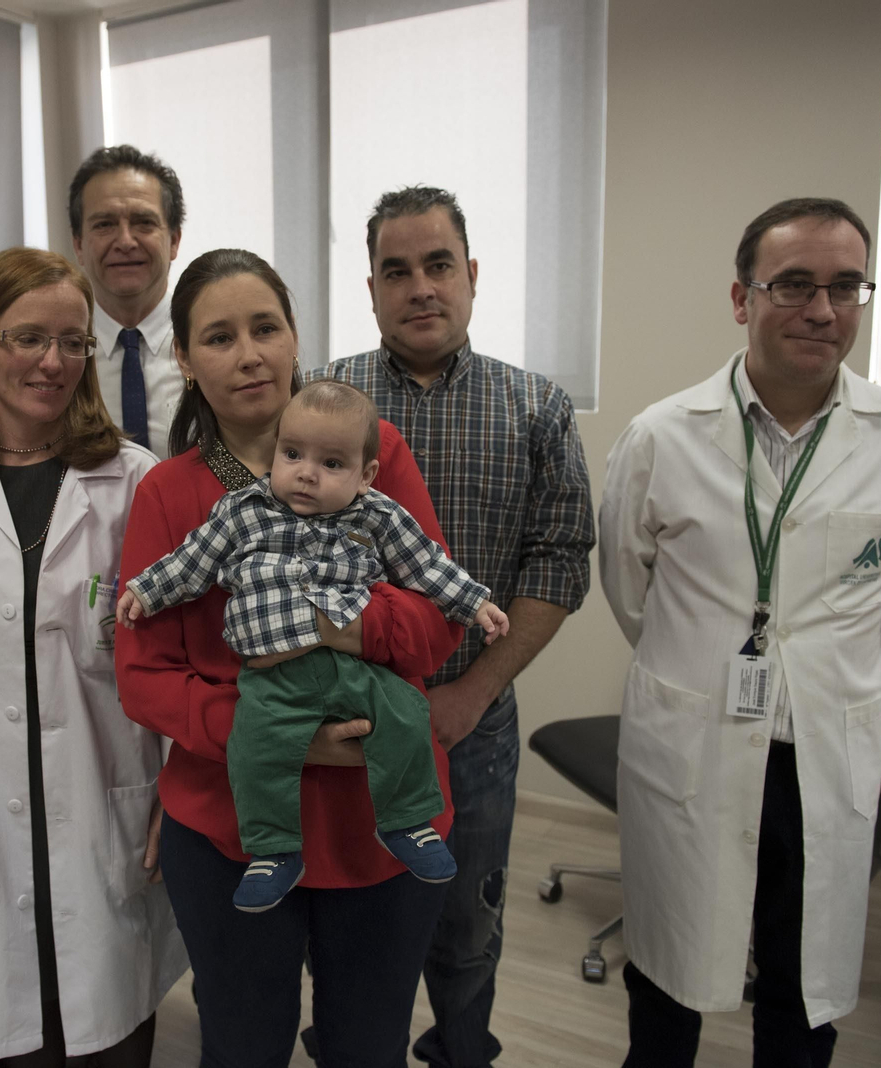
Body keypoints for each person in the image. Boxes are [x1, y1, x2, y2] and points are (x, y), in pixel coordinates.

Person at [598, 197, 881, 1066]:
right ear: (741, 298)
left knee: (803, 992)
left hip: (822, 748)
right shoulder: (661, 437)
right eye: (793, 284)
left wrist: (829, 679)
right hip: (695, 742)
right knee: (668, 973)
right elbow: (628, 584)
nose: (823, 310)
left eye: (845, 287)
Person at [116, 248, 464, 1065]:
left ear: (296, 335)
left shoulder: (373, 451)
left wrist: (328, 626)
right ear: (185, 360)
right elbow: (143, 678)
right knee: (241, 1046)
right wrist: (271, 732)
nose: (249, 354)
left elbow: (436, 623)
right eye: (219, 337)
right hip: (230, 821)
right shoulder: (169, 492)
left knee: (368, 1046)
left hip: (382, 817)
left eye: (265, 327)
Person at [0, 247, 186, 1066]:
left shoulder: (131, 481)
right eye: (27, 339)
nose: (53, 362)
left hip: (107, 800)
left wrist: (176, 787)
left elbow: (175, 655)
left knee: (111, 1027)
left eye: (73, 342)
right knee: (5, 1030)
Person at [314, 186, 595, 1068]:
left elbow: (558, 563)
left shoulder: (535, 407)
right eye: (397, 271)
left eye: (439, 266)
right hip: (347, 725)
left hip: (472, 720)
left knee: (466, 919)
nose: (420, 287)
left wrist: (473, 693)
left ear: (471, 276)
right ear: (371, 289)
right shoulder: (321, 403)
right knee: (350, 915)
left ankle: (463, 1050)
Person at [117, 379, 511, 912]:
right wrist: (145, 590)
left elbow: (427, 568)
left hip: (356, 669)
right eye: (293, 454)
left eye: (331, 464)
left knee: (406, 714)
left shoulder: (378, 515)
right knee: (257, 746)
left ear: (365, 475)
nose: (306, 473)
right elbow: (190, 562)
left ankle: (408, 822)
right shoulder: (241, 511)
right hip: (271, 679)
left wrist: (475, 603)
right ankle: (274, 851)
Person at [69, 145, 187, 459]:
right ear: (79, 245)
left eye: (144, 222)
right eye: (104, 224)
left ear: (174, 240)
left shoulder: (212, 348)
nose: (124, 241)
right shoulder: (56, 359)